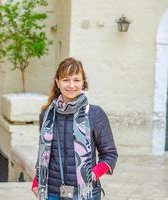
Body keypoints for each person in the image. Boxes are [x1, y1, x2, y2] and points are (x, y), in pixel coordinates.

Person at [31, 58, 118, 200]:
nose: (71, 85)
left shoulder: (95, 114)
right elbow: (45, 153)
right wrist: (36, 181)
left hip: (85, 194)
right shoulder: (47, 114)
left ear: (83, 83)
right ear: (58, 83)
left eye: (76, 80)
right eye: (66, 80)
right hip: (51, 192)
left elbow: (110, 154)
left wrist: (93, 174)